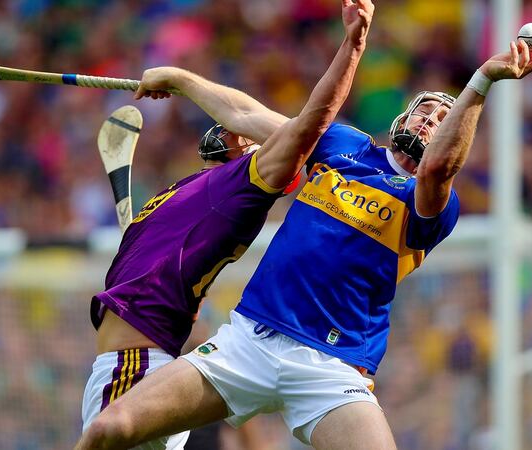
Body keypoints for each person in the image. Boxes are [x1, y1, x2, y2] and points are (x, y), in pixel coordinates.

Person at [78, 26, 532, 449]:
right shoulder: (344, 145)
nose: (429, 121)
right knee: (108, 429)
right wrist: (182, 80)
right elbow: (246, 114)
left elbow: (440, 166)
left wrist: (480, 80)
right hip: (248, 342)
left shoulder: (434, 203)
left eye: (443, 121)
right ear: (403, 117)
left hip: (331, 367)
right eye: (424, 112)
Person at [79, 0, 374, 448]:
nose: (232, 125)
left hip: (134, 368)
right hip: (137, 365)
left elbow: (303, 124)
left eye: (252, 135)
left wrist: (352, 44)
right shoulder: (198, 185)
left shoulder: (247, 186)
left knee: (103, 435)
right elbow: (242, 113)